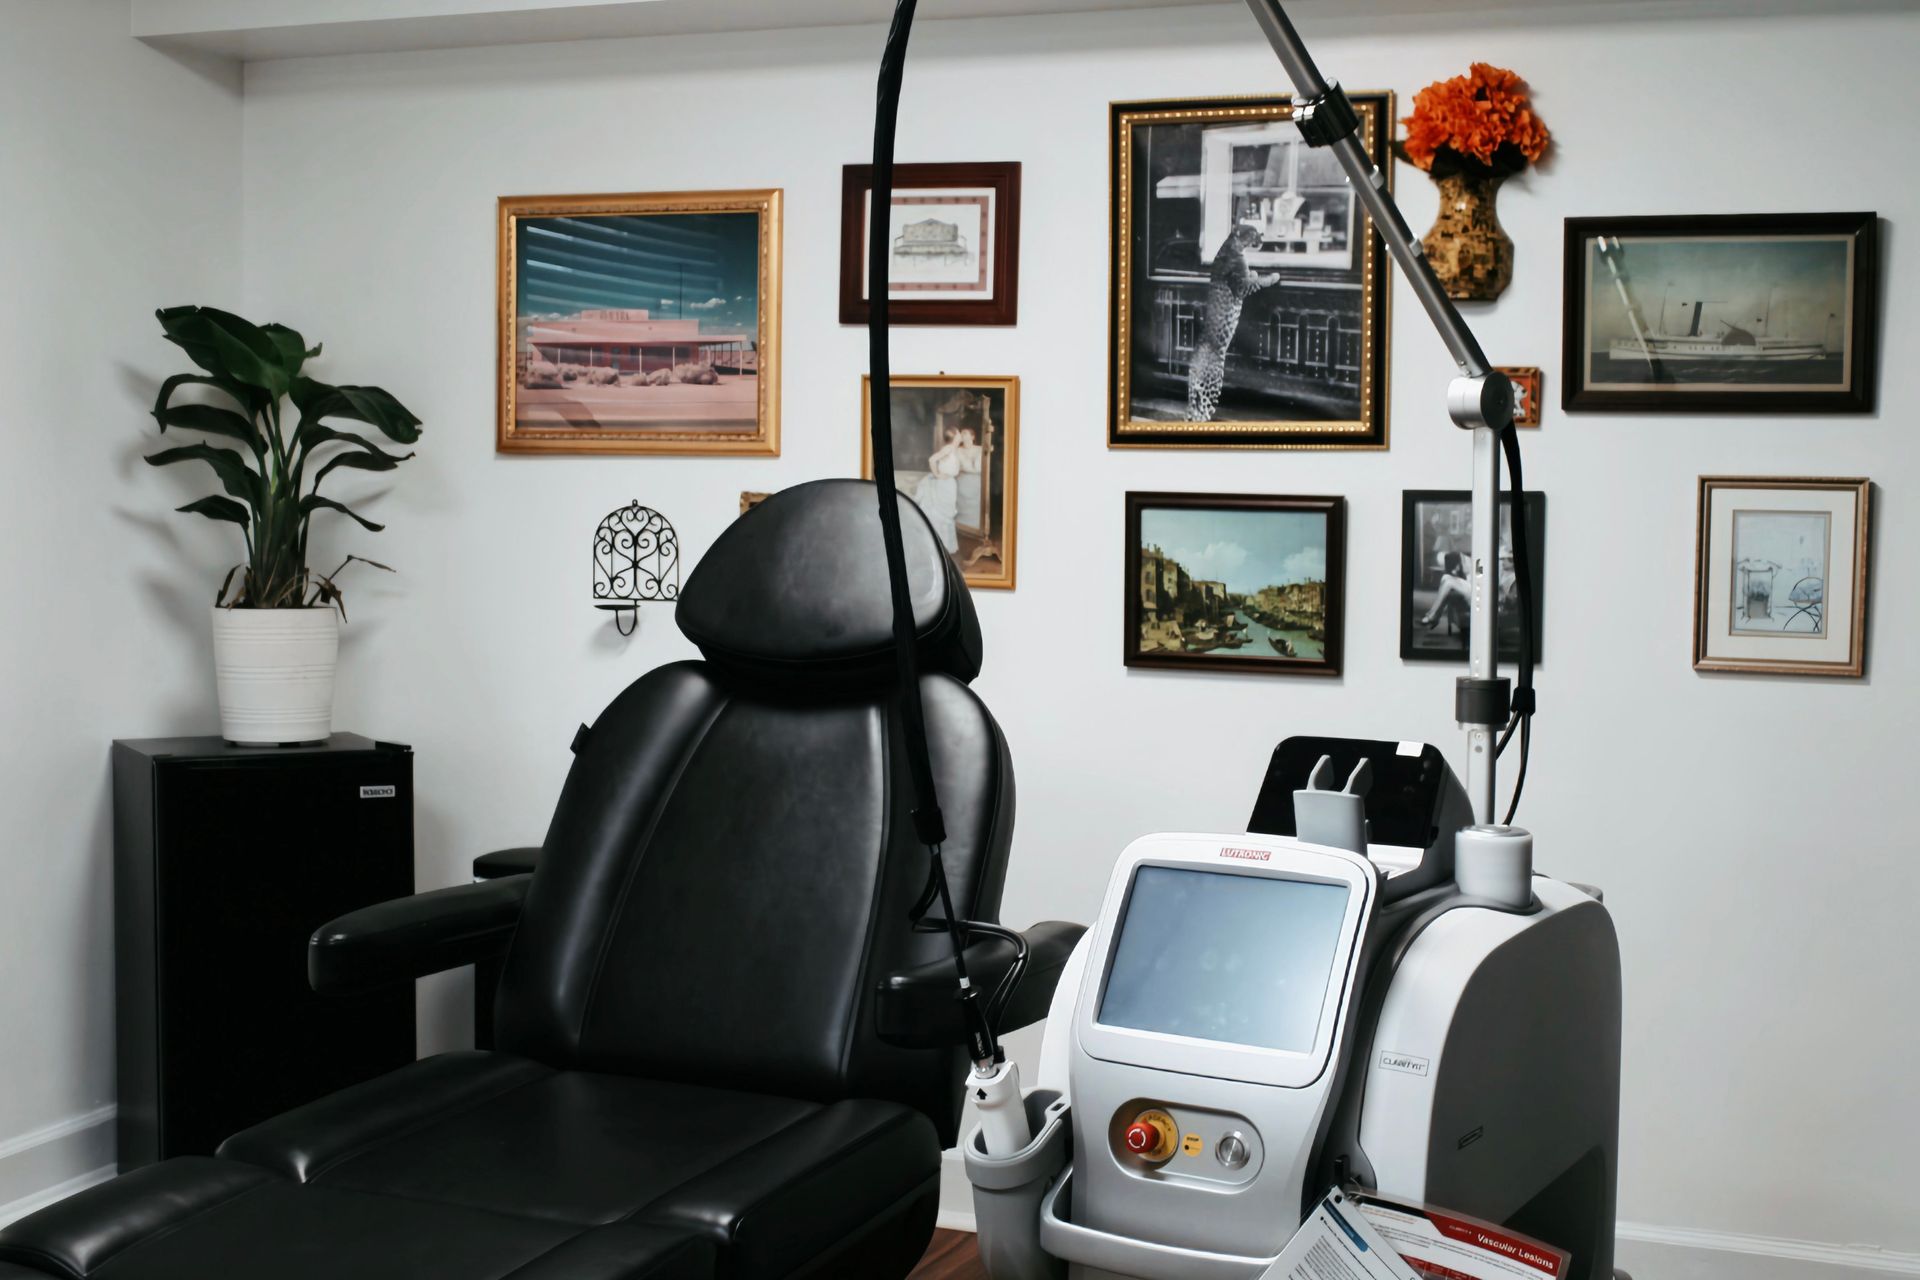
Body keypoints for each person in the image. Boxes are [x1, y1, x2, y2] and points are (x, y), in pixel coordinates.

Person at [912, 426, 966, 553]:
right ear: (954, 436)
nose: (960, 434)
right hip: (944, 484)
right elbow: (932, 459)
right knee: (940, 514)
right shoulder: (948, 448)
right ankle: (937, 546)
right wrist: (937, 474)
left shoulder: (954, 449)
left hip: (949, 483)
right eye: (959, 432)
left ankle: (943, 546)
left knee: (947, 514)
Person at [1419, 534, 1470, 629]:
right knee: (1445, 577)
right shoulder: (1463, 557)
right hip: (1468, 584)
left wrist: (1465, 567)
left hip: (1473, 589)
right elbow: (1462, 573)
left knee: (1449, 583)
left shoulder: (1472, 560)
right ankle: (1435, 616)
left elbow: (1475, 574)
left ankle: (1432, 616)